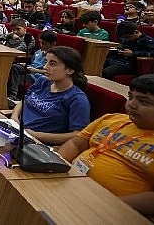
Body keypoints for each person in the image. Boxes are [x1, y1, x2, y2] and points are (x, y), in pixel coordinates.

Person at [57, 74, 154, 216]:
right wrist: (56, 167)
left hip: (113, 210)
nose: (131, 104)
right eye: (130, 97)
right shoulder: (112, 118)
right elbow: (76, 144)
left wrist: (105, 204)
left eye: (143, 102)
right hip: (68, 184)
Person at [10, 46, 90, 145]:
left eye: (52, 64)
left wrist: (34, 134)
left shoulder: (77, 99)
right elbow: (25, 100)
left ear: (70, 70)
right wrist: (14, 117)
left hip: (36, 144)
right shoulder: (42, 81)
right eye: (45, 62)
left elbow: (77, 135)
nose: (45, 67)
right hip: (15, 130)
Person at [7, 30, 58, 101]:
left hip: (37, 77)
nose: (41, 46)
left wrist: (35, 70)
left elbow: (50, 71)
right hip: (30, 71)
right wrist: (25, 64)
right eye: (40, 43)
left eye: (44, 44)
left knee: (13, 80)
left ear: (53, 44)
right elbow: (33, 63)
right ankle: (13, 94)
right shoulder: (38, 52)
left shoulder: (54, 57)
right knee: (15, 67)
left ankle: (13, 95)